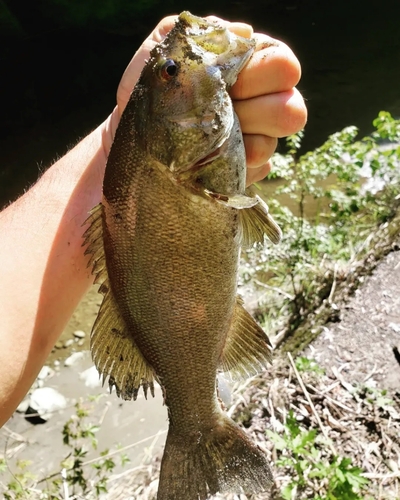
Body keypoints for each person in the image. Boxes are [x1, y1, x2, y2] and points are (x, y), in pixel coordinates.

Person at [0, 15, 307, 427]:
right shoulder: (167, 158)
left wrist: (110, 146)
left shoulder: (161, 154)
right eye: (170, 72)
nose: (178, 64)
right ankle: (198, 422)